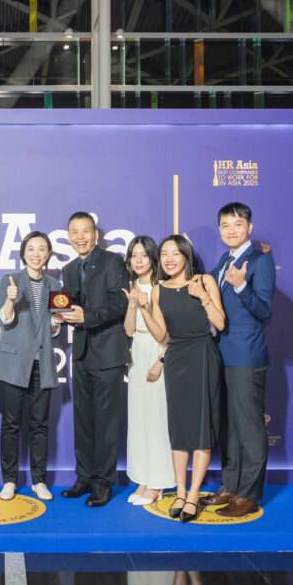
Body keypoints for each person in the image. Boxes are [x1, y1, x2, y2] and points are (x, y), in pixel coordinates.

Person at [203, 203, 275, 518]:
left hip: (246, 355)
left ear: (249, 227)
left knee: (249, 427)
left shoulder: (260, 260)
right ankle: (231, 485)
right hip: (222, 354)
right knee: (230, 426)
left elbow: (264, 310)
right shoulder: (224, 260)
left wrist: (241, 286)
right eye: (225, 225)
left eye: (237, 224)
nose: (231, 230)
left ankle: (249, 494)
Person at [58, 211, 129, 508]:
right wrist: (60, 315)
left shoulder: (113, 261)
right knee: (83, 420)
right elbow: (68, 306)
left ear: (95, 234)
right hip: (82, 353)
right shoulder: (69, 268)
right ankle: (84, 477)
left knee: (106, 422)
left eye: (85, 231)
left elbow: (120, 302)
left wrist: (87, 317)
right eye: (74, 232)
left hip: (108, 352)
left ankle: (103, 483)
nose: (80, 237)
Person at [152, 235, 225, 523]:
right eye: (164, 254)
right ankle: (180, 491)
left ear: (186, 256)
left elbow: (220, 323)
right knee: (179, 428)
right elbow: (161, 335)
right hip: (176, 359)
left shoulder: (205, 281)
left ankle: (194, 494)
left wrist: (202, 297)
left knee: (202, 427)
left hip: (203, 356)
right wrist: (142, 308)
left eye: (175, 253)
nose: (169, 259)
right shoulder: (158, 290)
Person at [0, 231, 62, 502]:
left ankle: (39, 480)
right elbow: (4, 320)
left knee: (40, 426)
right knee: (10, 425)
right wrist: (10, 299)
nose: (36, 254)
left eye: (42, 249)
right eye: (31, 249)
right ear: (23, 253)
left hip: (41, 364)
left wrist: (57, 322)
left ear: (48, 254)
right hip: (11, 364)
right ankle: (9, 480)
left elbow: (52, 328)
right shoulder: (10, 280)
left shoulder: (54, 284)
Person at [121, 236, 176, 506]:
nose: (138, 260)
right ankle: (143, 478)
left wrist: (161, 360)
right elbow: (129, 330)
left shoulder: (163, 287)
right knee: (139, 419)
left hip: (159, 352)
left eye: (143, 255)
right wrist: (133, 304)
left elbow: (172, 331)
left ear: (154, 259)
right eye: (134, 255)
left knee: (157, 420)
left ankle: (158, 482)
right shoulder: (132, 287)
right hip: (138, 353)